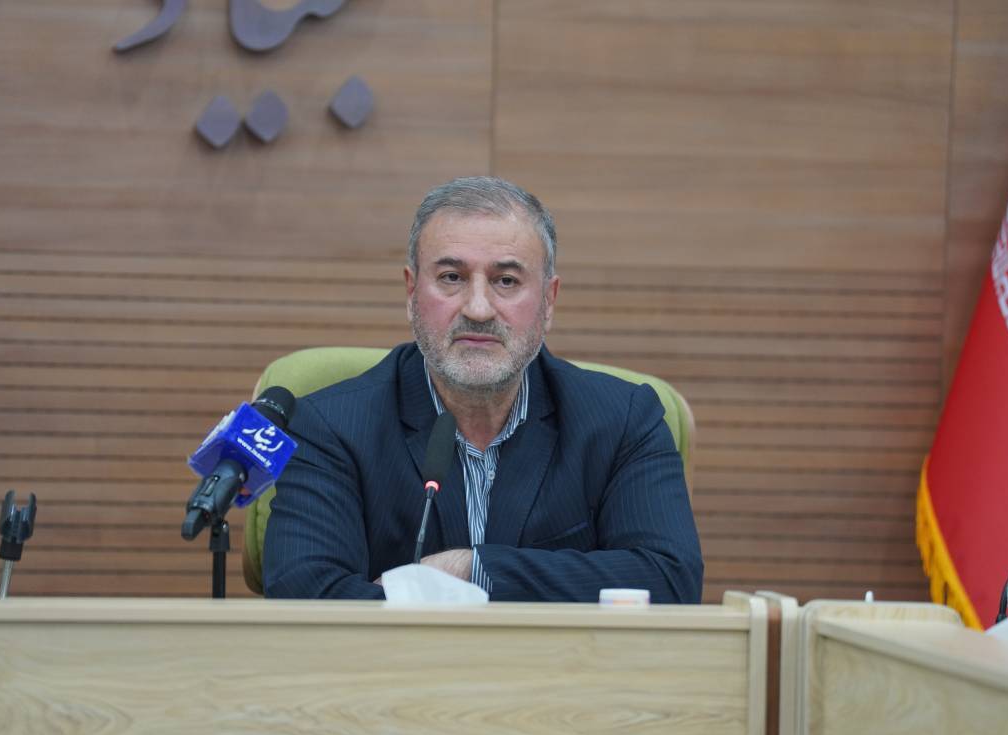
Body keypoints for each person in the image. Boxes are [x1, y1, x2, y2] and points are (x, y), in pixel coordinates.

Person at [264, 176, 703, 602]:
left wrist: (472, 568)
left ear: (548, 301)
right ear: (412, 293)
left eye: (506, 281)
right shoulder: (329, 427)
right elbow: (304, 595)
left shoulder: (623, 421)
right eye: (451, 277)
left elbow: (670, 579)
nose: (477, 309)